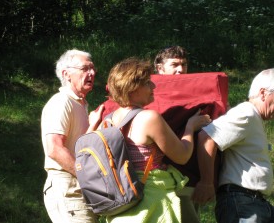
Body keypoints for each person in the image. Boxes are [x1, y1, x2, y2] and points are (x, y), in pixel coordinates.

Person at [104, 57, 211, 223]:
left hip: (122, 205)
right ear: (132, 89)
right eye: (147, 83)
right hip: (152, 201)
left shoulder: (108, 120)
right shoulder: (148, 118)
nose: (153, 86)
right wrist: (190, 127)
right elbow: (182, 156)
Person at [194, 68, 274, 222]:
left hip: (253, 202)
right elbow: (207, 137)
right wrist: (206, 182)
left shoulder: (254, 117)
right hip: (242, 203)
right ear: (263, 93)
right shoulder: (247, 113)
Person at [41, 49, 104, 223]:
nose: (92, 73)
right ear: (66, 74)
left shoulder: (81, 104)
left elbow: (81, 147)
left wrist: (94, 125)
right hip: (68, 186)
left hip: (80, 187)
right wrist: (86, 176)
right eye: (85, 68)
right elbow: (54, 148)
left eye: (93, 69)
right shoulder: (61, 102)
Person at [154, 45, 201, 223]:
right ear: (160, 68)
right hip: (160, 178)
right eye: (174, 64)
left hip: (189, 176)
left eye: (184, 64)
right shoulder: (149, 94)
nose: (180, 70)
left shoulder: (196, 92)